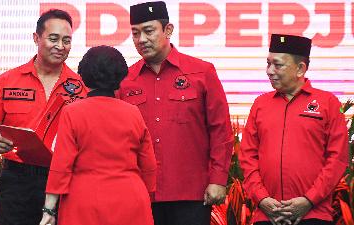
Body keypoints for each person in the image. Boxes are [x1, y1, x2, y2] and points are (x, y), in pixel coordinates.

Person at [118, 1, 234, 225]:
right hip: (141, 193)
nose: (141, 40)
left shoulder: (202, 72)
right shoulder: (125, 80)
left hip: (191, 193)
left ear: (168, 30)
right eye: (135, 33)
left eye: (149, 31)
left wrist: (218, 179)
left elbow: (220, 130)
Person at [0, 9, 88, 225]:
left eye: (67, 40)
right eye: (53, 38)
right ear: (36, 38)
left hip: (66, 178)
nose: (60, 46)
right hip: (18, 180)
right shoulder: (7, 81)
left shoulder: (81, 87)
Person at [39, 45, 157, 225]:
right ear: (120, 76)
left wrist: (49, 209)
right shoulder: (133, 112)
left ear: (84, 76)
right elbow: (148, 163)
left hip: (84, 201)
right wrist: (146, 194)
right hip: (130, 200)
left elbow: (62, 165)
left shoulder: (73, 112)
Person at [240, 34, 349, 225]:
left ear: (300, 69)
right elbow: (248, 156)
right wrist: (263, 199)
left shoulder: (328, 103)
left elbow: (337, 158)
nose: (269, 71)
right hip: (267, 215)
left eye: (278, 65)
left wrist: (309, 200)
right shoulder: (260, 104)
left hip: (314, 215)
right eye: (268, 64)